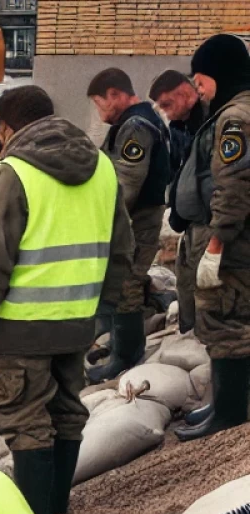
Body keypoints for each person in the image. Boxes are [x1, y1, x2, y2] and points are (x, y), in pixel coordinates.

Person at [0, 86, 134, 514]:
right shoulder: (103, 167)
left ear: (9, 126)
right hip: (77, 321)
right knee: (68, 412)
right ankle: (58, 508)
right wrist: (102, 308)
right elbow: (123, 250)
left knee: (24, 419)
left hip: (18, 326)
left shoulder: (13, 170)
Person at [173, 34, 250, 441]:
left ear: (219, 74)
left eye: (201, 81)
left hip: (235, 243)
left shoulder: (236, 118)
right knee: (229, 318)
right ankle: (225, 404)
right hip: (236, 238)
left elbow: (234, 187)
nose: (199, 89)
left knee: (226, 322)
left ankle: (230, 416)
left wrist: (217, 245)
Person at [85, 68, 171, 383]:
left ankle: (127, 356)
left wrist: (98, 216)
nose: (99, 111)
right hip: (130, 220)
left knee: (127, 283)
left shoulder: (136, 126)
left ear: (115, 94)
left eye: (99, 102)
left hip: (137, 220)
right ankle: (118, 347)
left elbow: (127, 184)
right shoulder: (132, 122)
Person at [149, 69, 206, 334]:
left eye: (168, 105)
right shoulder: (179, 127)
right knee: (185, 283)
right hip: (189, 224)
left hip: (209, 224)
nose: (167, 113)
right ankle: (189, 332)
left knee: (204, 290)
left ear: (186, 93)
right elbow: (179, 171)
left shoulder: (211, 122)